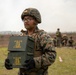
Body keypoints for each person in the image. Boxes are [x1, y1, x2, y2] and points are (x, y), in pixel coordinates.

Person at [5, 8, 56, 75]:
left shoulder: (43, 36)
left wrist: (35, 62)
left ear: (36, 21)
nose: (26, 21)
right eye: (24, 19)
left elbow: (51, 56)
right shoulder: (20, 37)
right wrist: (9, 62)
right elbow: (15, 54)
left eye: (29, 19)